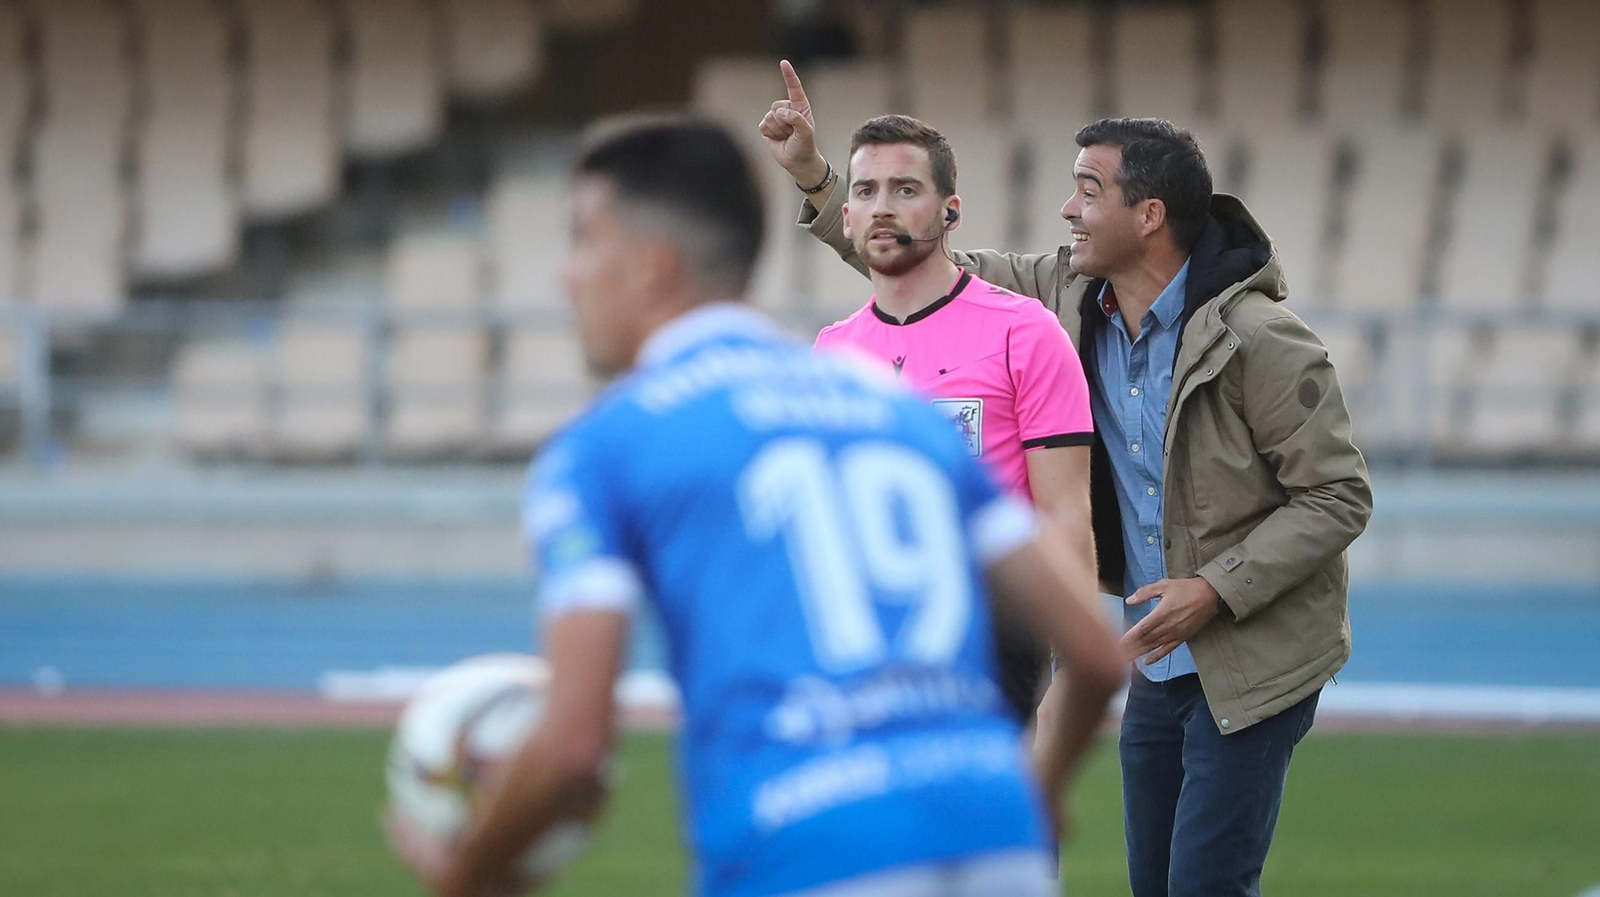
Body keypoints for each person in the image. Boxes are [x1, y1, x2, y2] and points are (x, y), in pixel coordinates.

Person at [386, 116, 1123, 897]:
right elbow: (1097, 653)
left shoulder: (604, 446)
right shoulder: (886, 404)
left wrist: (467, 874)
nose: (566, 275)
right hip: (994, 836)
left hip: (806, 846)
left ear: (653, 266)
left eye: (584, 241)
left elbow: (573, 747)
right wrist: (1034, 795)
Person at [780, 108, 1374, 897]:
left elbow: (1339, 493)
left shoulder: (1261, 338)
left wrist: (1214, 588)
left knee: (1204, 886)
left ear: (1149, 215)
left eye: (1088, 192)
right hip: (1154, 656)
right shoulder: (1065, 296)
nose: (1068, 209)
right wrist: (818, 180)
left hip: (1254, 658)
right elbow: (922, 270)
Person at [759, 63, 1099, 745]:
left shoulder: (1025, 331)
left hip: (995, 646)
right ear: (847, 214)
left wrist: (1071, 680)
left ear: (951, 210)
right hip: (864, 657)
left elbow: (1067, 517)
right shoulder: (830, 352)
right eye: (866, 190)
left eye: (905, 189)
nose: (882, 206)